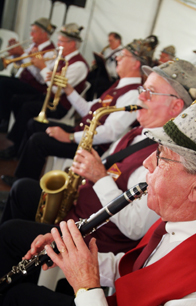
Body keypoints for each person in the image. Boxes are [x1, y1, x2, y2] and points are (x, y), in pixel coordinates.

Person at [1, 94, 196, 306]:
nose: (147, 163)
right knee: (15, 300)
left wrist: (87, 288)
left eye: (161, 156)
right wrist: (77, 258)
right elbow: (135, 268)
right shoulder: (186, 216)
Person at [0, 59, 196, 283]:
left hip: (93, 239)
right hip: (78, 214)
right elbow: (110, 164)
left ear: (176, 107)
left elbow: (134, 227)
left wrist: (99, 177)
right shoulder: (138, 131)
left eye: (151, 92)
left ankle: (13, 286)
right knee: (21, 190)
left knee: (10, 232)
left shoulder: (167, 159)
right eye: (143, 89)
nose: (140, 97)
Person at [0, 35, 159, 185]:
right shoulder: (119, 85)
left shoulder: (132, 94)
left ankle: (23, 183)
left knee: (38, 141)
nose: (117, 58)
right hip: (83, 134)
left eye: (122, 56)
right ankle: (23, 171)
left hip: (91, 147)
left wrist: (69, 136)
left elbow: (110, 132)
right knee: (33, 125)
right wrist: (68, 89)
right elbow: (88, 109)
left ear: (135, 64)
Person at [0, 22, 89, 160]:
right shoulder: (61, 57)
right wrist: (35, 62)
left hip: (60, 106)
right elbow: (43, 79)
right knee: (18, 100)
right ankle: (18, 139)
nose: (58, 44)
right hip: (48, 97)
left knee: (27, 108)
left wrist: (42, 66)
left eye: (61, 41)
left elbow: (55, 88)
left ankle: (17, 148)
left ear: (72, 44)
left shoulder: (79, 65)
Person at [0, 17, 56, 132]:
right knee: (3, 82)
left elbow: (41, 78)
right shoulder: (33, 45)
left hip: (37, 88)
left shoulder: (50, 52)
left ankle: (3, 120)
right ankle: (4, 118)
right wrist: (16, 54)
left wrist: (22, 53)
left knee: (3, 84)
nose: (31, 34)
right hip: (24, 81)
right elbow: (21, 64)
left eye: (34, 31)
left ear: (44, 34)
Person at [86, 32, 123, 100]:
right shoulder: (108, 50)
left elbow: (115, 71)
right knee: (89, 76)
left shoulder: (122, 53)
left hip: (111, 78)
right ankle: (87, 100)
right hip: (103, 74)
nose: (109, 43)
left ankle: (94, 102)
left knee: (96, 83)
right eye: (109, 41)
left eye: (111, 41)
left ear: (118, 41)